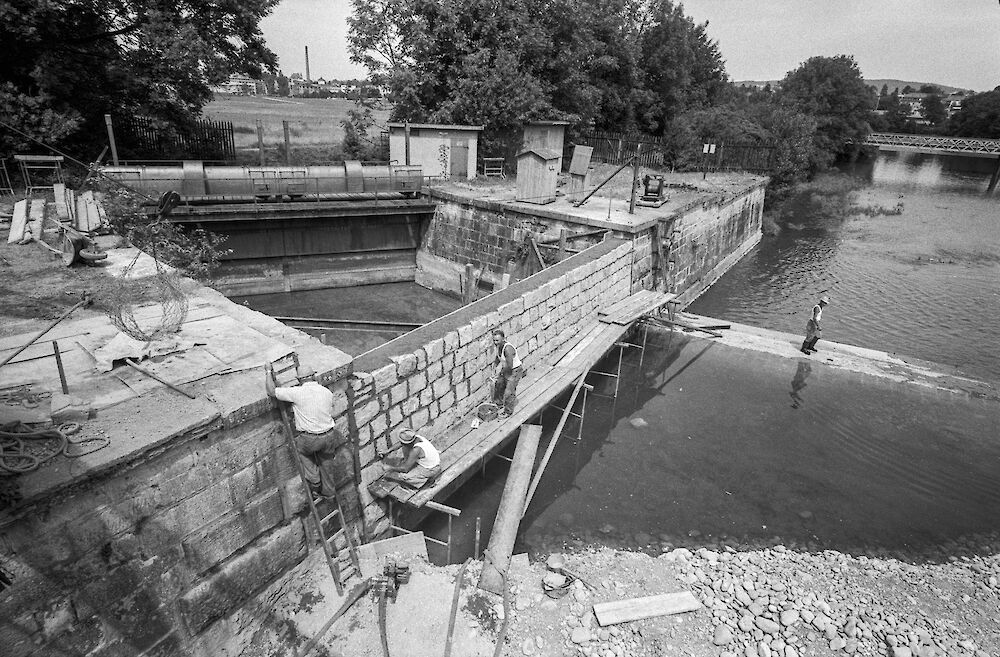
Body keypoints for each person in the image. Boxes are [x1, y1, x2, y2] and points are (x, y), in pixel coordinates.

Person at [265, 363, 342, 499]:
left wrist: (268, 371)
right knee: (327, 463)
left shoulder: (297, 392)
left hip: (309, 439)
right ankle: (329, 493)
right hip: (329, 435)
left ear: (300, 379)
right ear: (313, 376)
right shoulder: (326, 392)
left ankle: (315, 481)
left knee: (302, 452)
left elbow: (272, 391)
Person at [490, 329, 524, 416]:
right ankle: (499, 403)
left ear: (503, 339)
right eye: (494, 340)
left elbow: (509, 366)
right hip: (507, 369)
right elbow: (498, 357)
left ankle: (508, 411)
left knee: (509, 391)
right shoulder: (499, 347)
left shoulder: (508, 349)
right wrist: (494, 366)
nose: (495, 342)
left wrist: (500, 373)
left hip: (514, 370)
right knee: (499, 384)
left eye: (497, 340)